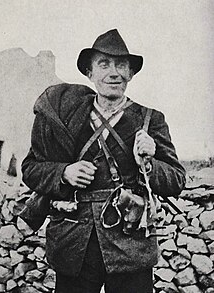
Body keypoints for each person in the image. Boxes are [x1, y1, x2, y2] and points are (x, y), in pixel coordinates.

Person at [22, 29, 186, 293]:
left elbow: (177, 179)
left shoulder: (149, 120)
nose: (114, 72)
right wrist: (64, 173)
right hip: (74, 245)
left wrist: (149, 164)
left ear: (131, 74)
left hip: (130, 246)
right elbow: (30, 169)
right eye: (104, 64)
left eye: (122, 65)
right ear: (89, 73)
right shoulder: (65, 116)